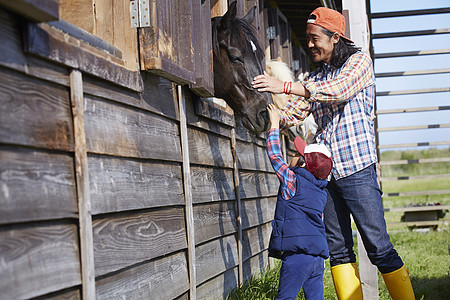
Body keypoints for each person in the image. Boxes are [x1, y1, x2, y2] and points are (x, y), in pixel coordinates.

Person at [253, 7, 415, 300]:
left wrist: (286, 85)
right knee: (338, 251)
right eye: (308, 39)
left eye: (315, 38)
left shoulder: (359, 63)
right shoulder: (317, 76)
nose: (311, 44)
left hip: (357, 170)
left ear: (336, 37)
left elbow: (337, 91)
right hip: (325, 177)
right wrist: (269, 112)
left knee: (378, 246)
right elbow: (296, 111)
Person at [266, 103, 332, 300]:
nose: (292, 157)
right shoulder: (321, 191)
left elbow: (275, 155)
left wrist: (274, 126)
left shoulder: (293, 181)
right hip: (317, 259)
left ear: (303, 164)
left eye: (296, 155)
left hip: (297, 259)